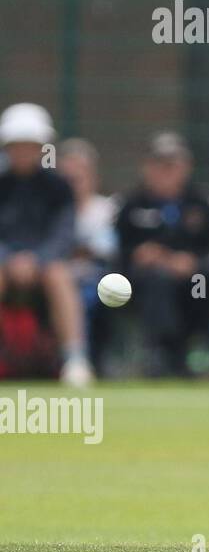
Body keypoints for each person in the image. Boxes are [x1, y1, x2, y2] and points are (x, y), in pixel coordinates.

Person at [0, 103, 91, 385]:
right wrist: (8, 258)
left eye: (30, 145)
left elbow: (64, 234)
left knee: (58, 275)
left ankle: (75, 359)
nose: (23, 152)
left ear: (42, 148)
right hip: (4, 268)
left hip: (45, 268)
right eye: (17, 146)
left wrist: (37, 260)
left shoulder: (59, 187)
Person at [115, 132, 209, 376]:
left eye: (173, 165)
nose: (166, 171)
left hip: (191, 279)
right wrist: (143, 255)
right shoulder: (131, 203)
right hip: (144, 281)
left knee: (205, 279)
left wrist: (191, 260)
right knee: (157, 280)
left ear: (186, 167)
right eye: (160, 165)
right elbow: (121, 247)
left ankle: (198, 345)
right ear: (147, 167)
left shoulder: (201, 201)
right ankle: (162, 350)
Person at [58, 138, 118, 374]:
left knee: (93, 297)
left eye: (78, 177)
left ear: (93, 177)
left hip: (96, 279)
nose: (72, 184)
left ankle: (96, 361)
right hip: (59, 279)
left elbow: (105, 251)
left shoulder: (107, 209)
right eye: (67, 178)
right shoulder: (51, 211)